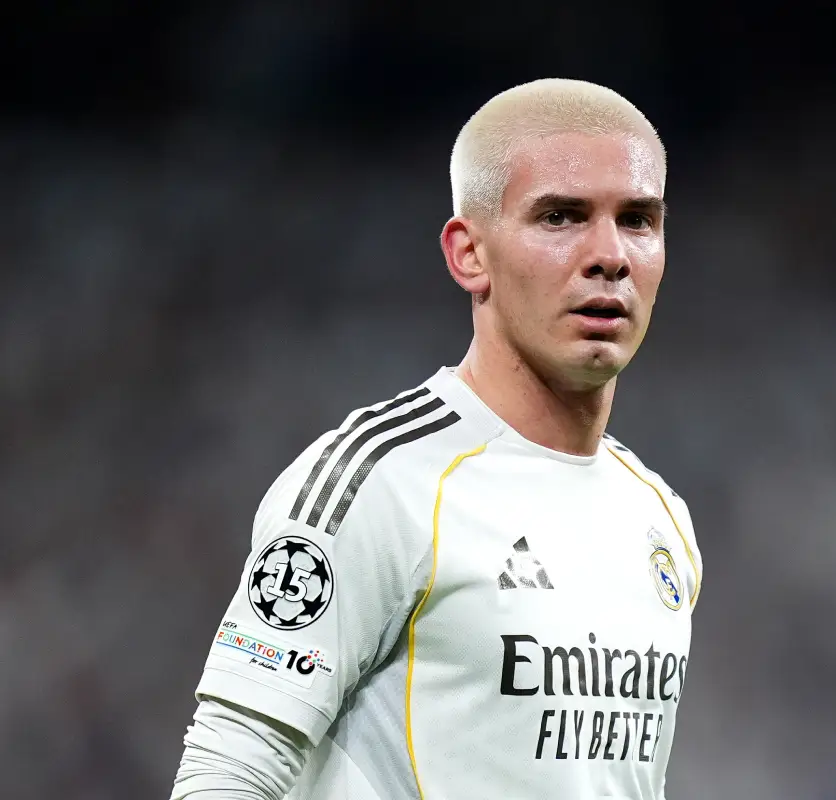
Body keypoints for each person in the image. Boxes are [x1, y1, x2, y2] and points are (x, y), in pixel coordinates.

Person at [171, 77, 702, 800]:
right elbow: (226, 774)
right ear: (468, 254)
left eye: (638, 219)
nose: (609, 254)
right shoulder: (377, 484)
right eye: (561, 217)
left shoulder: (659, 518)